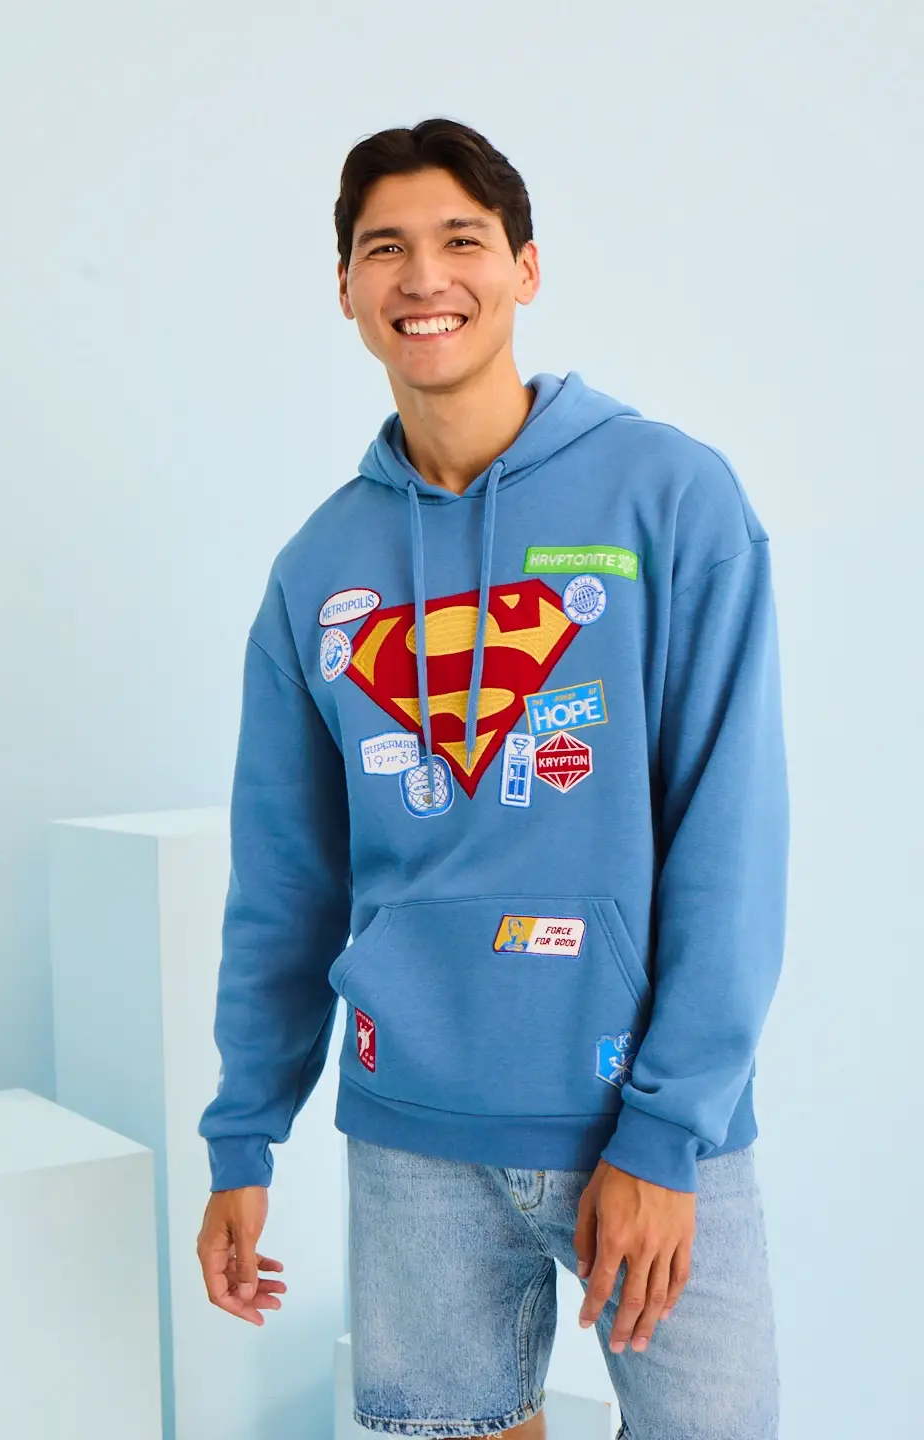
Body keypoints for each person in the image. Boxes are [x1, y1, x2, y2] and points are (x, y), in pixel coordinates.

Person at [196, 117, 789, 1440]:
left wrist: (666, 1129)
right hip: (410, 1133)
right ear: (345, 289)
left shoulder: (670, 498)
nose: (424, 278)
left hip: (638, 1120)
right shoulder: (317, 571)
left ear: (525, 267)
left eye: (461, 240)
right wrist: (244, 1133)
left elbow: (730, 836)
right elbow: (285, 881)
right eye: (384, 249)